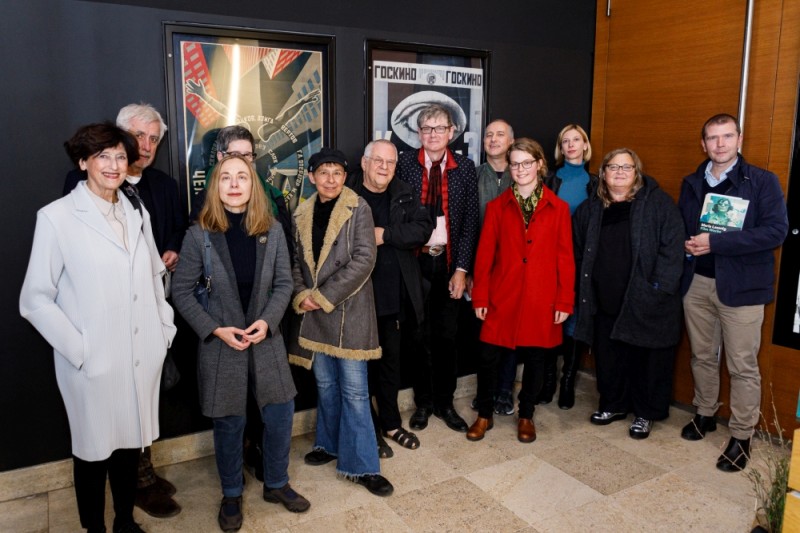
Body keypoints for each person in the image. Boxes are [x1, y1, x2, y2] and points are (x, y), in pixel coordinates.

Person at [20, 123, 176, 533]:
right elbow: (34, 298)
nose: (113, 165)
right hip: (91, 362)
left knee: (129, 448)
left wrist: (164, 329)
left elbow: (153, 274)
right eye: (102, 156)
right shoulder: (57, 218)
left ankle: (124, 522)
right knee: (92, 454)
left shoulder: (134, 210)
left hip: (140, 355)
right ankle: (96, 530)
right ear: (83, 162)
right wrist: (81, 350)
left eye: (120, 156)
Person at [172, 155, 309, 531]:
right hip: (221, 344)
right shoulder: (198, 234)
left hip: (266, 339)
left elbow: (284, 283)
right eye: (226, 178)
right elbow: (181, 292)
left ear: (253, 185)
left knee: (280, 414)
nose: (234, 184)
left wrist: (268, 321)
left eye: (242, 177)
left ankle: (277, 484)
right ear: (215, 187)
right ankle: (231, 493)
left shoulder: (273, 230)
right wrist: (215, 329)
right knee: (230, 423)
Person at [62, 103, 185, 518]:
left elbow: (174, 233)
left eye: (154, 139)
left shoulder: (165, 186)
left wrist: (171, 251)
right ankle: (126, 492)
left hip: (151, 312)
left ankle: (141, 476)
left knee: (148, 397)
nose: (145, 146)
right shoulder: (80, 185)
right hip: (102, 324)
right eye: (138, 137)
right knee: (109, 418)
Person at [678, 113, 788, 471]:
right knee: (702, 355)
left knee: (742, 365)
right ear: (703, 143)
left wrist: (717, 243)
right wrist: (687, 244)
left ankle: (741, 435)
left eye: (727, 136)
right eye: (713, 138)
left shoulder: (761, 182)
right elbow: (683, 225)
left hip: (742, 288)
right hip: (697, 283)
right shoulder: (692, 182)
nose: (720, 144)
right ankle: (705, 413)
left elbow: (775, 232)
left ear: (740, 140)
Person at [290, 148, 394, 497]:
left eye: (337, 173)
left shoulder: (358, 207)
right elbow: (293, 262)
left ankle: (363, 465)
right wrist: (301, 293)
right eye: (324, 173)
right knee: (327, 386)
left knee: (354, 391)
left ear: (345, 177)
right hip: (315, 316)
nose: (331, 179)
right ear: (312, 177)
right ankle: (329, 445)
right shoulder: (300, 213)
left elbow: (364, 259)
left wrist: (320, 297)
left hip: (348, 312)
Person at [467, 138, 574, 443]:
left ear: (540, 164)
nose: (521, 169)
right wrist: (481, 296)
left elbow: (565, 259)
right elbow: (485, 257)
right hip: (502, 296)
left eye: (527, 162)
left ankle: (526, 414)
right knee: (487, 358)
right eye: (515, 163)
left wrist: (564, 299)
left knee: (537, 360)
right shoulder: (497, 208)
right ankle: (484, 414)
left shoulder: (559, 209)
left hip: (542, 298)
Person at [572, 148, 684, 440]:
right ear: (603, 173)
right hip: (604, 299)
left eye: (627, 167)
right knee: (610, 358)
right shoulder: (591, 208)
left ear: (637, 172)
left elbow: (672, 250)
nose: (619, 172)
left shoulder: (658, 204)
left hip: (646, 299)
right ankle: (613, 404)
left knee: (647, 361)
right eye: (613, 167)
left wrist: (657, 288)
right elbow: (578, 250)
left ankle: (646, 413)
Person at [346, 139, 433, 458]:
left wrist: (386, 235)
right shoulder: (346, 191)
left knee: (390, 365)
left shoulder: (404, 192)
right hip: (356, 299)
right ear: (364, 162)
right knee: (360, 371)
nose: (384, 167)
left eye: (390, 162)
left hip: (393, 298)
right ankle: (367, 427)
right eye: (378, 160)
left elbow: (423, 229)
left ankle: (391, 424)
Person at [396, 103, 480, 434]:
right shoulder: (404, 165)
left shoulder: (465, 168)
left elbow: (471, 222)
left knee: (447, 336)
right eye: (426, 129)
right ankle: (424, 403)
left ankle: (445, 403)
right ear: (419, 133)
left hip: (447, 262)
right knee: (418, 336)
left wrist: (462, 269)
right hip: (414, 263)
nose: (433, 134)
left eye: (439, 128)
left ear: (451, 132)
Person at [539, 124, 597, 409]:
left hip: (582, 261)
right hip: (549, 259)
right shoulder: (549, 180)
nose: (571, 145)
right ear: (560, 148)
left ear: (586, 145)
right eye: (566, 141)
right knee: (551, 318)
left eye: (577, 140)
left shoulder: (597, 183)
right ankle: (548, 380)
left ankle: (567, 381)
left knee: (576, 320)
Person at [471, 119, 517, 417]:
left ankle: (505, 391)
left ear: (511, 142)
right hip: (482, 268)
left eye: (500, 134)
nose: (493, 139)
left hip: (515, 270)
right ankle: (484, 392)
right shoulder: (473, 176)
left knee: (512, 333)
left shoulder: (524, 176)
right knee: (485, 333)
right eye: (488, 134)